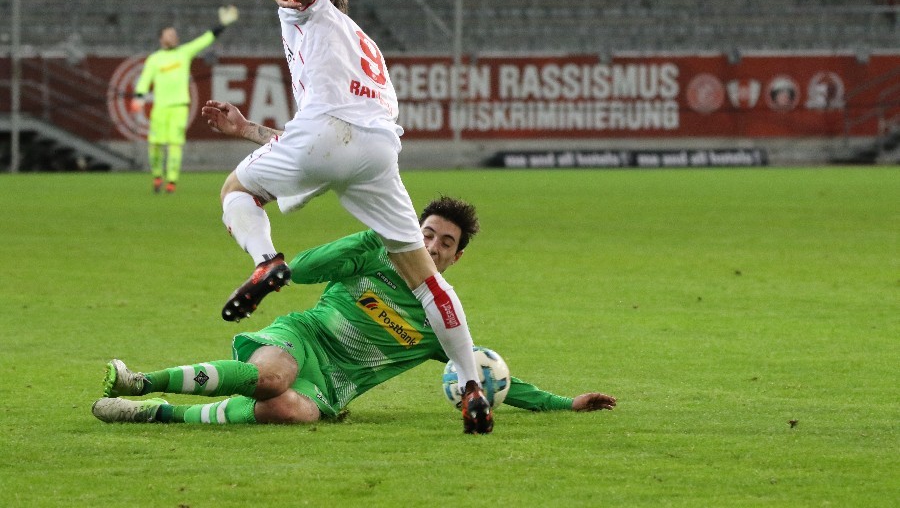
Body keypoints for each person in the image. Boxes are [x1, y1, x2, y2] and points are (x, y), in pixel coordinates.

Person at [198, 0, 494, 433]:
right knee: (426, 280)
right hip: (377, 151)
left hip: (327, 133)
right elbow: (332, 147)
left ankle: (265, 260)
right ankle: (473, 384)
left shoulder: (311, 14)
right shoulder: (366, 47)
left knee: (236, 190)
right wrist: (248, 130)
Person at [91, 196, 617, 427]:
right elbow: (307, 268)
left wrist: (566, 404)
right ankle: (141, 381)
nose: (431, 246)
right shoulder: (373, 249)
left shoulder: (442, 319)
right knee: (272, 380)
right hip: (305, 336)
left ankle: (159, 413)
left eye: (445, 243)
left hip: (335, 386)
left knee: (287, 411)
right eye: (427, 233)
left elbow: (489, 378)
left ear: (457, 257)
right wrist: (366, 240)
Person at [130, 5, 240, 193]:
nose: (174, 37)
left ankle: (171, 180)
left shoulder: (184, 52)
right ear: (161, 38)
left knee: (175, 143)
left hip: (179, 106)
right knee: (155, 143)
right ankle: (157, 175)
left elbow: (205, 39)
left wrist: (221, 25)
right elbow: (145, 79)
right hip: (160, 107)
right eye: (169, 34)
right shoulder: (154, 59)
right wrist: (139, 97)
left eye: (175, 34)